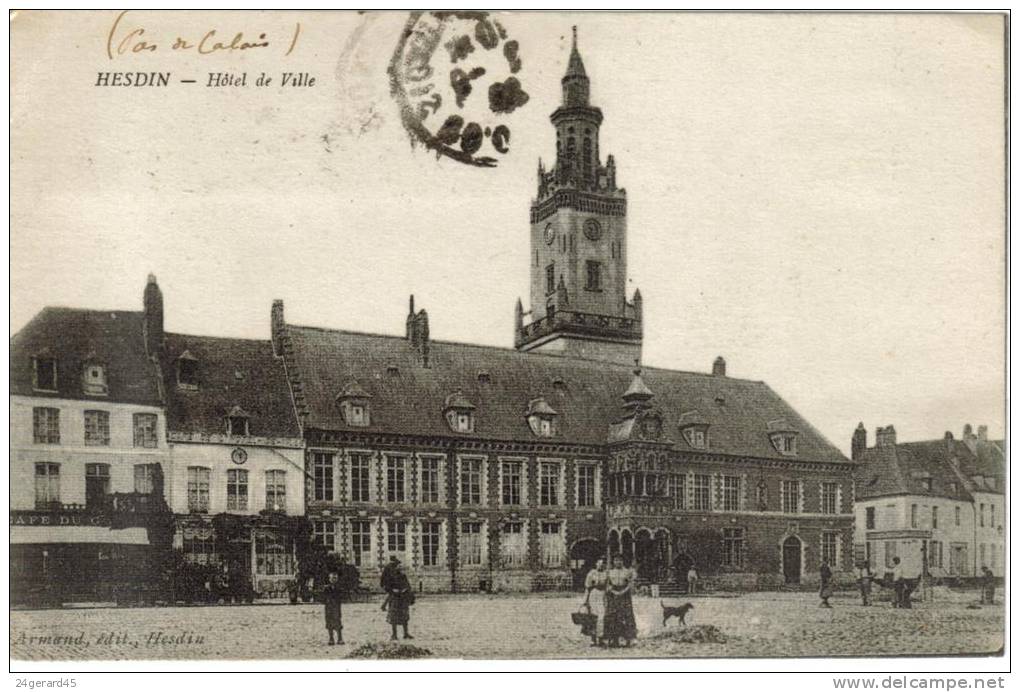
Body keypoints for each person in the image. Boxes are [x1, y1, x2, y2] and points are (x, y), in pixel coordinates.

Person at [603, 555, 637, 648]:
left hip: (624, 595)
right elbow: (607, 585)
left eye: (620, 560)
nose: (618, 562)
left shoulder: (627, 572)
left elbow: (630, 584)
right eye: (616, 560)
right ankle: (614, 639)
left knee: (626, 616)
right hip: (613, 595)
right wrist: (612, 591)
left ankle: (629, 639)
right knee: (612, 616)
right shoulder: (609, 572)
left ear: (623, 561)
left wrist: (622, 592)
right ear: (613, 561)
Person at [381, 558, 414, 640]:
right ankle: (394, 635)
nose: (400, 567)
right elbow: (386, 586)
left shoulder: (403, 576)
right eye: (398, 566)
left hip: (403, 598)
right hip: (395, 598)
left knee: (405, 616)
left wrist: (405, 590)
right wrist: (392, 590)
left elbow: (408, 586)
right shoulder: (390, 577)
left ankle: (406, 633)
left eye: (400, 566)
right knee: (394, 617)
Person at [582, 558, 608, 647]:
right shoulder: (591, 573)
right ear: (596, 563)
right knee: (593, 616)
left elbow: (608, 585)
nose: (601, 565)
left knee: (602, 616)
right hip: (594, 595)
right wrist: (585, 601)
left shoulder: (606, 574)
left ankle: (601, 638)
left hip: (603, 595)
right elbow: (587, 587)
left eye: (603, 563)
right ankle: (593, 639)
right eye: (599, 563)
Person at [322, 570, 344, 646]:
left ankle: (340, 638)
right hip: (329, 608)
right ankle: (331, 638)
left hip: (336, 607)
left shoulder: (339, 588)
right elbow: (323, 598)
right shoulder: (326, 588)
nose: (333, 580)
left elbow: (341, 597)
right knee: (329, 623)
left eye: (335, 578)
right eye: (332, 578)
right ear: (329, 579)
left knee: (338, 622)